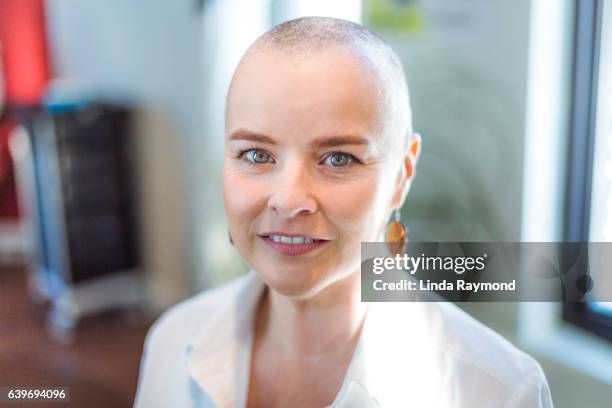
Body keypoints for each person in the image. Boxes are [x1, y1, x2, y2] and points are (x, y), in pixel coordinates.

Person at [134, 17, 553, 408]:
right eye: (256, 153)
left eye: (338, 159)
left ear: (402, 175)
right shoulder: (174, 339)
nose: (289, 199)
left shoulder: (500, 391)